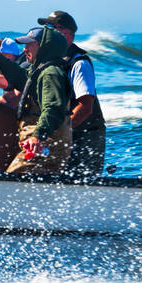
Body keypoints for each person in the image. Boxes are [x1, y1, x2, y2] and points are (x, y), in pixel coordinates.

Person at [38, 10, 106, 178]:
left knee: (82, 182)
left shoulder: (79, 63)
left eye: (50, 27)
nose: (46, 32)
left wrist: (62, 133)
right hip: (68, 135)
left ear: (65, 33)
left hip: (86, 136)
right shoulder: (52, 61)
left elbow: (86, 106)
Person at [0, 26, 72, 174]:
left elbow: (53, 109)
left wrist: (37, 137)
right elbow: (21, 78)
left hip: (46, 143)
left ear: (44, 47)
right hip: (41, 142)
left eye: (29, 45)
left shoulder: (50, 73)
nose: (24, 49)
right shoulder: (41, 70)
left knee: (13, 177)